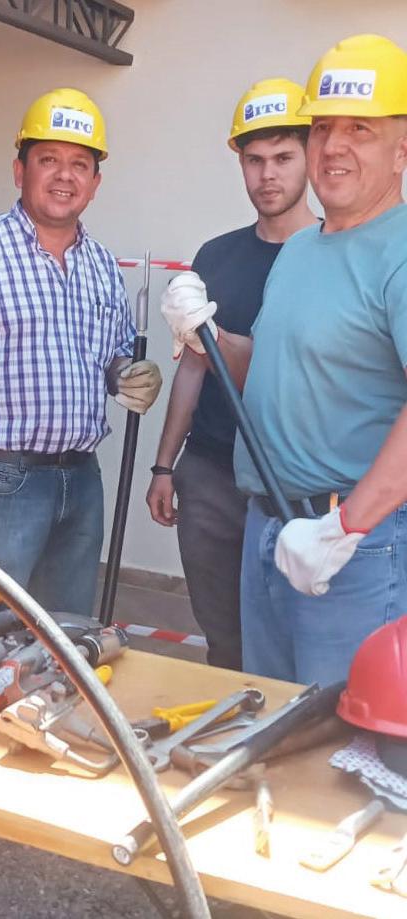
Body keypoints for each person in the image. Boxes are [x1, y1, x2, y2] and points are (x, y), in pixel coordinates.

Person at [0, 87, 161, 872]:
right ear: (20, 169)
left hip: (82, 480)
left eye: (80, 163)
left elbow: (110, 358)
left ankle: (33, 788)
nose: (64, 175)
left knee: (66, 644)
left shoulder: (101, 266)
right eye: (49, 159)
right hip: (1, 480)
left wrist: (126, 373)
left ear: (96, 181)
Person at [161, 33, 407, 688]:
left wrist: (345, 526)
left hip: (356, 543)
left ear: (403, 148)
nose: (334, 146)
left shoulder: (401, 251)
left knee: (342, 734)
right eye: (323, 127)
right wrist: (207, 333)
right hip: (266, 526)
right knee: (275, 716)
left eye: (360, 128)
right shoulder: (302, 249)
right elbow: (268, 372)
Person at [146, 79, 316, 669]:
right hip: (212, 474)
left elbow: (287, 371)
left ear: (310, 156)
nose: (268, 175)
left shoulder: (330, 255)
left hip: (296, 480)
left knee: (296, 642)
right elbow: (194, 367)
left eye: (283, 158)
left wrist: (216, 339)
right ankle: (234, 724)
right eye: (254, 160)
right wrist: (165, 465)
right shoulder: (215, 256)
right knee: (224, 636)